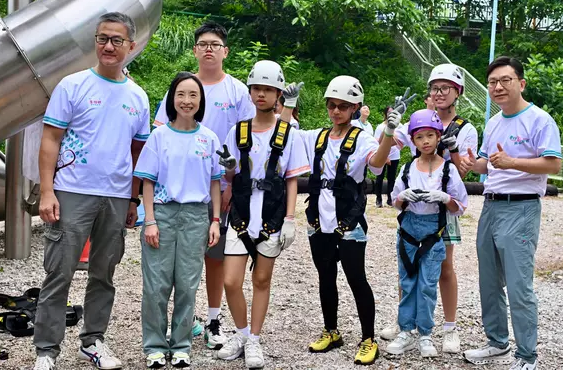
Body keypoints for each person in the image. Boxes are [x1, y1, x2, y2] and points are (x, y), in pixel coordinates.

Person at [34, 12, 150, 370]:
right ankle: (46, 351)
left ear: (131, 46)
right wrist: (47, 192)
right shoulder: (73, 86)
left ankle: (93, 341)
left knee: (104, 273)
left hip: (115, 197)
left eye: (117, 40)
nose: (109, 46)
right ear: (95, 41)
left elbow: (138, 153)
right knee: (60, 272)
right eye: (102, 38)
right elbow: (50, 140)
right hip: (72, 191)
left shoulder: (138, 97)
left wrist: (132, 200)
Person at [280, 76, 404, 365]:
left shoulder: (362, 139)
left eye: (343, 106)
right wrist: (287, 104)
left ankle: (368, 338)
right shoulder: (318, 138)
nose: (336, 111)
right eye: (332, 105)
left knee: (356, 278)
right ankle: (331, 330)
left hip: (348, 220)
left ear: (355, 108)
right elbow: (284, 133)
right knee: (326, 277)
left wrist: (389, 131)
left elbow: (376, 164)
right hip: (318, 220)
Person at [153, 21, 256, 349]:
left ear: (225, 51)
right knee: (173, 260)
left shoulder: (237, 91)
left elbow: (247, 142)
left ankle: (213, 320)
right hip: (178, 189)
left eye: (215, 44)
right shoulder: (182, 87)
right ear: (195, 50)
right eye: (202, 44)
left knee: (214, 257)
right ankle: (177, 323)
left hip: (220, 187)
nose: (208, 48)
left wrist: (230, 185)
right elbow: (160, 133)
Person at [461, 56, 562, 370]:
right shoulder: (493, 122)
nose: (497, 87)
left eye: (505, 80)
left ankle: (527, 356)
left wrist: (513, 163)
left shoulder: (539, 120)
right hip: (490, 205)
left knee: (519, 285)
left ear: (521, 83)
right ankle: (497, 342)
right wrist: (469, 165)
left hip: (521, 206)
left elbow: (553, 164)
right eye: (492, 82)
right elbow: (485, 164)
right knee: (489, 281)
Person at [214, 60, 310, 369]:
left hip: (271, 214)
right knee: (230, 281)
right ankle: (241, 333)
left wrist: (291, 219)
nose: (261, 95)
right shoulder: (238, 130)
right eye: (257, 89)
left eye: (268, 90)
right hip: (241, 213)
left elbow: (292, 178)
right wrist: (229, 170)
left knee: (261, 279)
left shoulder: (287, 133)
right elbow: (229, 176)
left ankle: (254, 338)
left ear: (278, 94)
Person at [381, 64, 478, 354]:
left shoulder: (464, 128)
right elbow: (382, 153)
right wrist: (390, 126)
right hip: (413, 204)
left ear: (457, 92)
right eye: (434, 88)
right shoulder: (417, 121)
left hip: (442, 206)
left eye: (445, 88)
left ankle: (448, 327)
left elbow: (464, 173)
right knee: (409, 264)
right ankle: (405, 325)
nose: (438, 93)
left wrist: (454, 148)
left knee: (444, 267)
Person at [133, 72, 222, 368]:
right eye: (181, 94)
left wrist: (215, 220)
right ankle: (155, 345)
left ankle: (182, 345)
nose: (186, 100)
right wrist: (150, 221)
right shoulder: (160, 136)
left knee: (187, 284)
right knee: (156, 285)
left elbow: (214, 183)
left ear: (201, 101)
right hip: (163, 213)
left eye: (193, 95)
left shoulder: (209, 138)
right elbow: (146, 181)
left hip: (197, 215)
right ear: (172, 98)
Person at [373, 106, 401, 208]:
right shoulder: (380, 127)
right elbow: (377, 143)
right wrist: (385, 157)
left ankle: (390, 199)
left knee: (391, 178)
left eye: (393, 112)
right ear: (385, 114)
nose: (391, 114)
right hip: (382, 156)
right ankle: (378, 199)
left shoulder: (399, 126)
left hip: (395, 156)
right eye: (389, 112)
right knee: (379, 177)